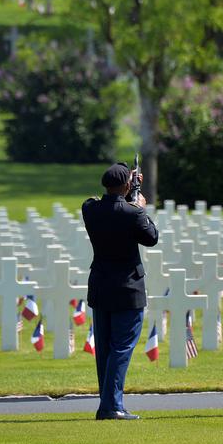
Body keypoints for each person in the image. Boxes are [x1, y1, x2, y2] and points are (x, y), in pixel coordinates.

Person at [81, 162, 158, 421]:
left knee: (105, 348)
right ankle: (112, 405)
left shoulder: (90, 209)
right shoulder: (133, 214)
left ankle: (107, 403)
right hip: (128, 288)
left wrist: (128, 192)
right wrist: (140, 207)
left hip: (101, 286)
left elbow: (106, 204)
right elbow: (151, 237)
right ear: (126, 186)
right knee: (122, 348)